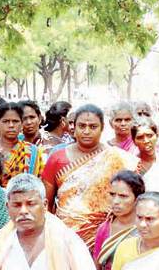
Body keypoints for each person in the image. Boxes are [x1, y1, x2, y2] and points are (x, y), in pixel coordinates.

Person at [42, 104, 138, 249]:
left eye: (93, 127)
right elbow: (46, 204)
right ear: (73, 127)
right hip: (64, 235)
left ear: (102, 128)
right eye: (82, 126)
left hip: (106, 235)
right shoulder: (57, 158)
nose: (87, 131)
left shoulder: (118, 158)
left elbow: (133, 200)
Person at [0, 102, 44, 186]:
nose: (11, 125)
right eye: (6, 121)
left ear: (21, 124)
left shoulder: (32, 151)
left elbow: (37, 184)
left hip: (25, 198)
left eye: (15, 121)